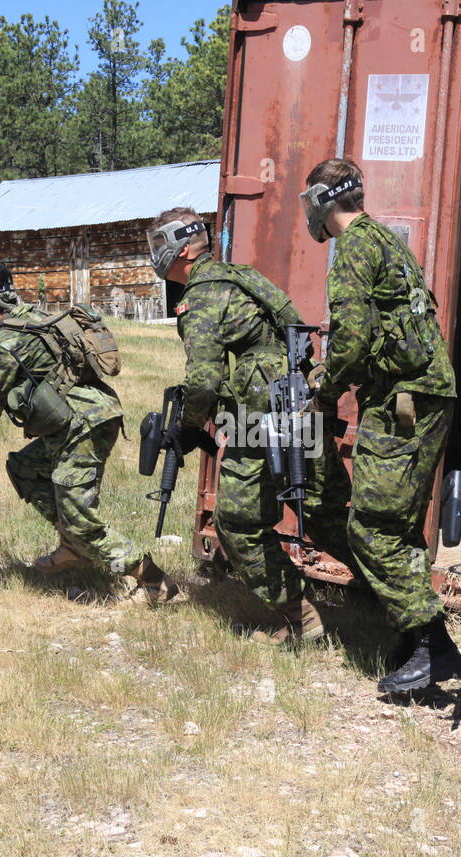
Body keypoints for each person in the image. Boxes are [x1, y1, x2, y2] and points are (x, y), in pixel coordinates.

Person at [146, 208, 355, 643]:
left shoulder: (202, 296)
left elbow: (203, 379)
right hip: (302, 405)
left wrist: (187, 426)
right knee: (332, 516)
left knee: (238, 521)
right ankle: (405, 611)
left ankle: (302, 618)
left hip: (261, 418)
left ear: (180, 248)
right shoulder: (242, 278)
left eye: (157, 246)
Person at [300, 158, 461, 693]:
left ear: (323, 203)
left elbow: (349, 339)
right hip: (423, 395)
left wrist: (322, 396)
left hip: (402, 402)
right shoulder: (387, 240)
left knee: (370, 527)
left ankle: (434, 645)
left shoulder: (351, 247)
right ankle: (413, 641)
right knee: (396, 523)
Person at [0, 258, 179, 605]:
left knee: (81, 522)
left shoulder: (5, 340)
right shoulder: (33, 316)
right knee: (25, 467)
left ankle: (156, 582)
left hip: (81, 427)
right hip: (86, 419)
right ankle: (72, 547)